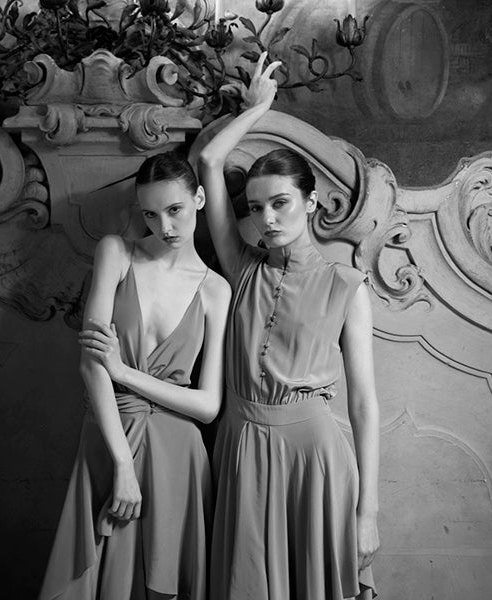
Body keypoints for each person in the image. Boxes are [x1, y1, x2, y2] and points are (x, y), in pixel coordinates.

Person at [198, 52, 381, 600]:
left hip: (315, 457)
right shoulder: (241, 266)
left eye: (281, 203)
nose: (267, 218)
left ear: (310, 200)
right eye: (256, 208)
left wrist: (368, 509)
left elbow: (365, 403)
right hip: (239, 445)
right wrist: (256, 110)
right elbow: (209, 160)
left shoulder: (346, 286)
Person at [38, 151, 232, 600]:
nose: (163, 226)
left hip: (178, 454)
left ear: (200, 198)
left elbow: (208, 406)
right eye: (150, 213)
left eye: (174, 210)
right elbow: (90, 364)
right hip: (110, 437)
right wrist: (122, 462)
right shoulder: (117, 252)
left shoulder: (215, 290)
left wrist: (124, 370)